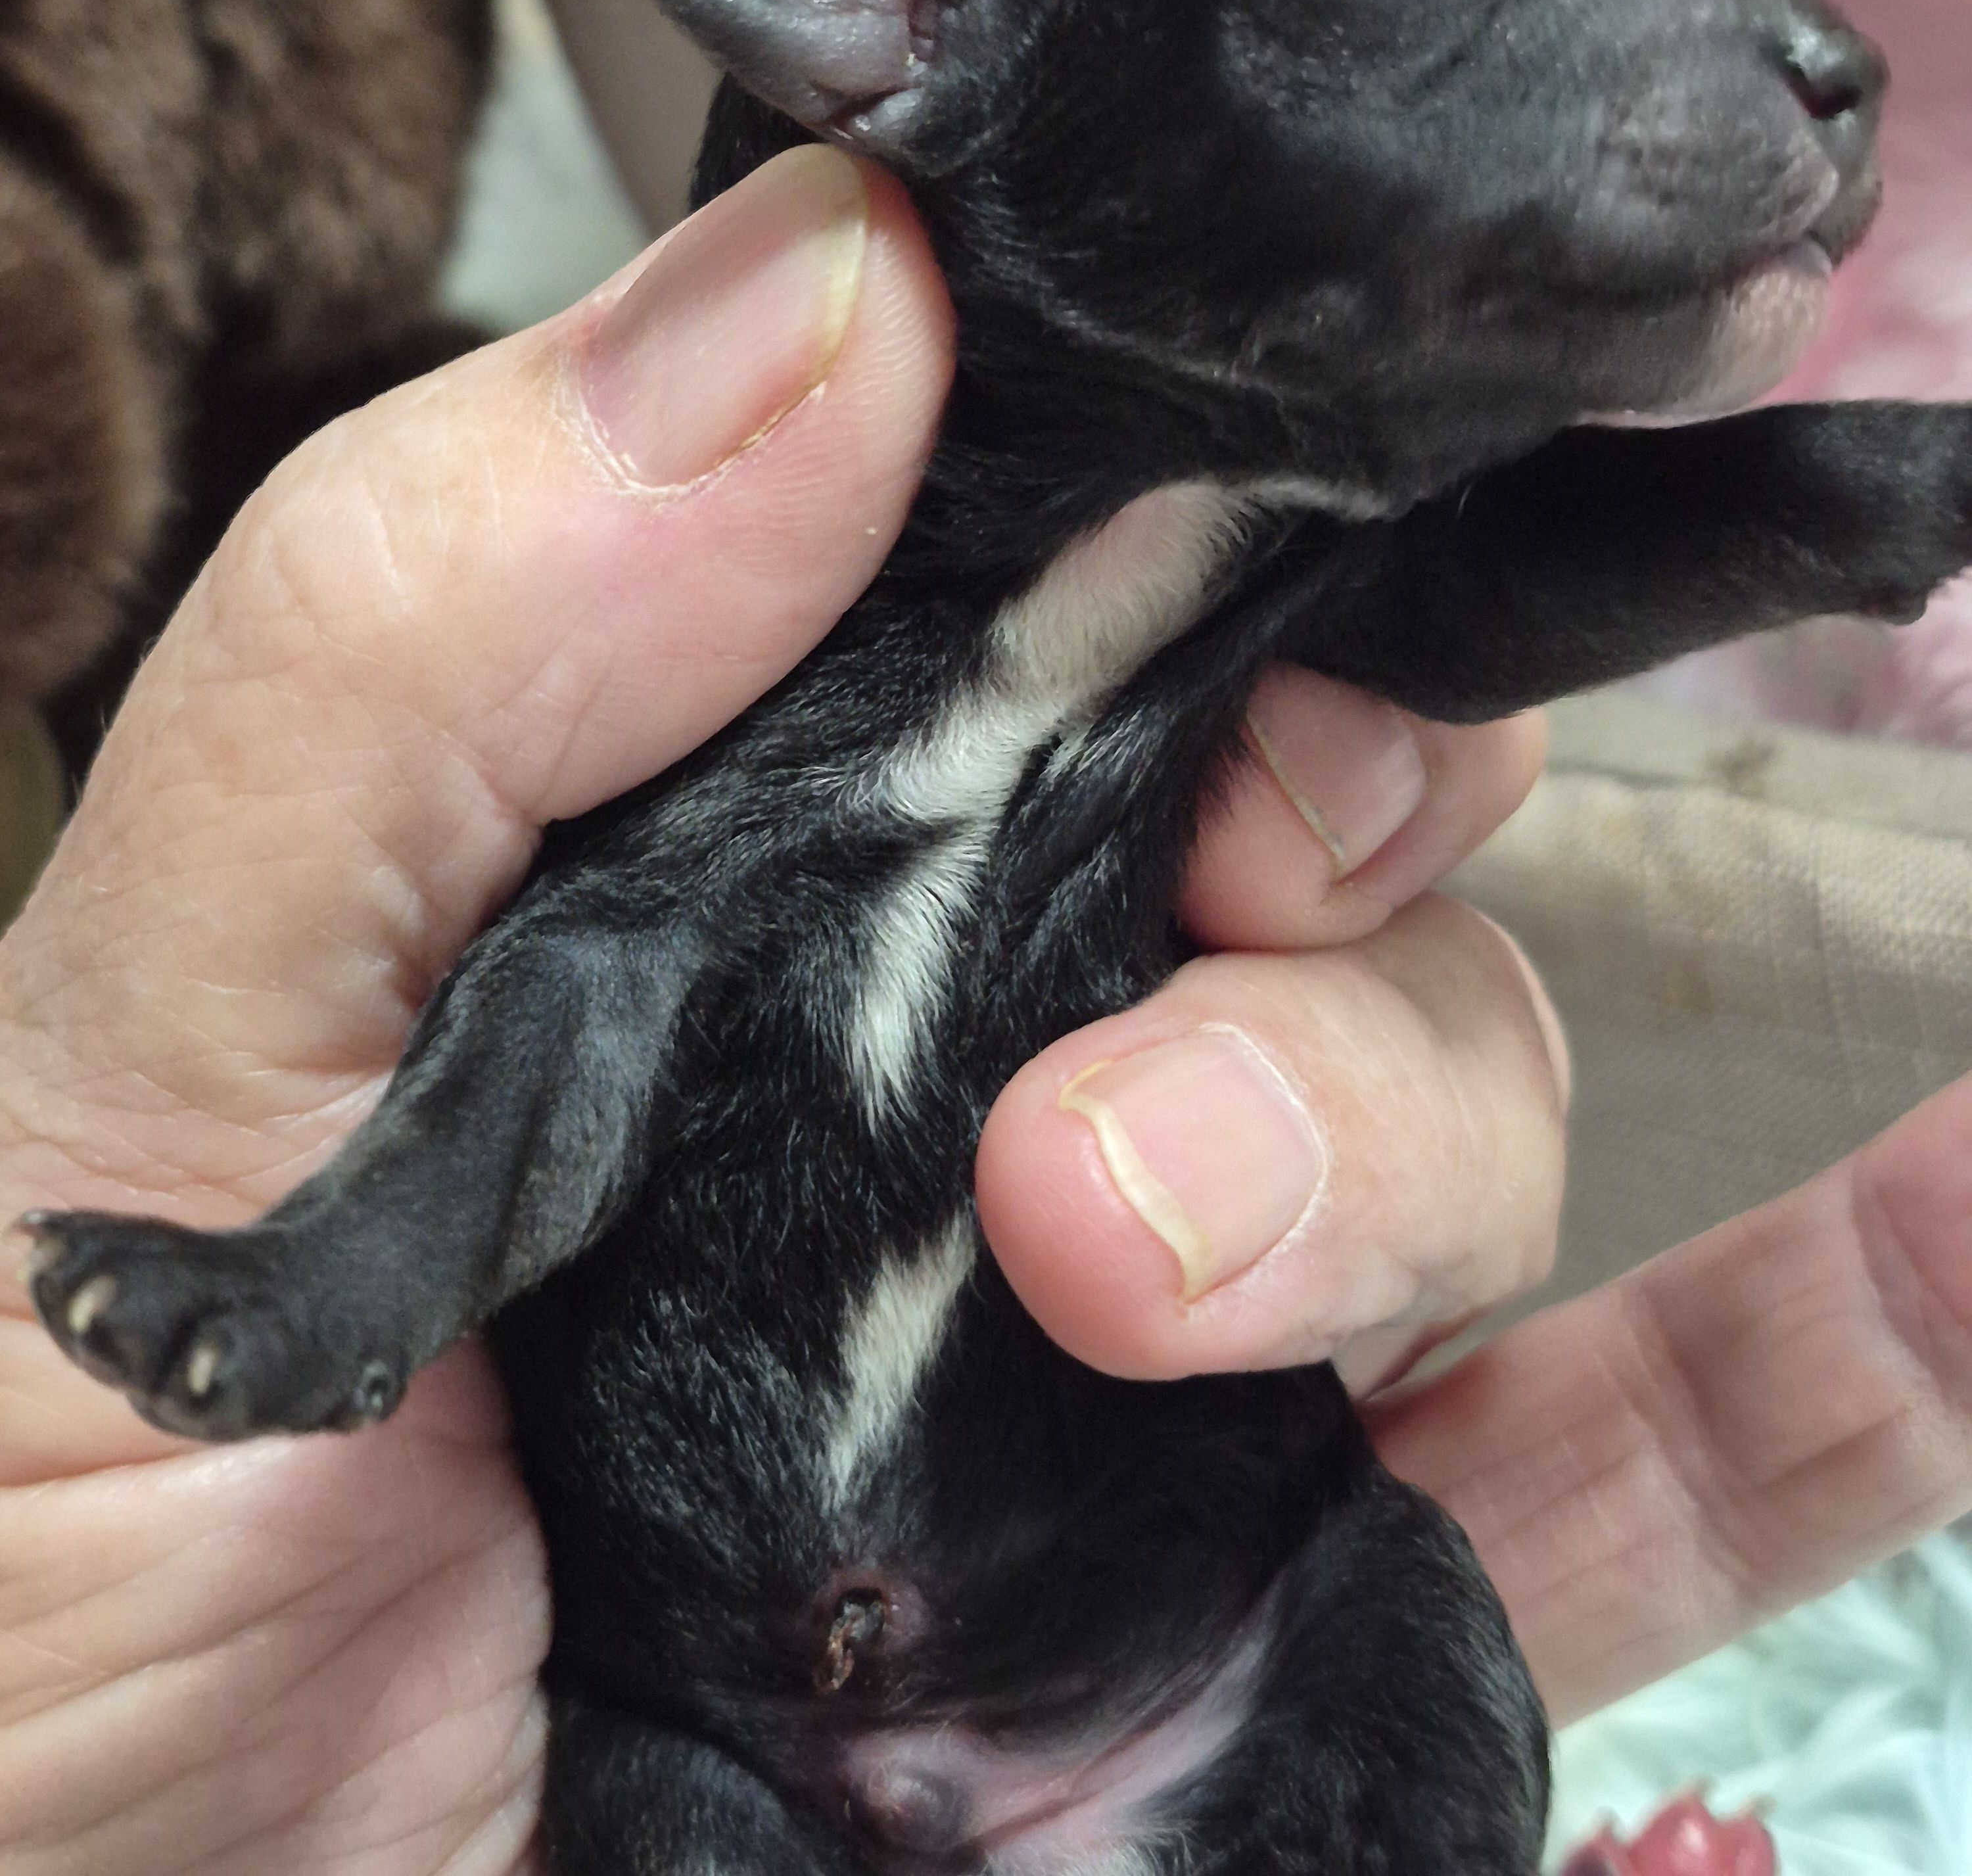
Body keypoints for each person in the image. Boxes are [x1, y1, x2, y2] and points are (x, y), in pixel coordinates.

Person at [2, 150, 1966, 1873]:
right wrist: (320, 1297)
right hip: (705, 1746)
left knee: (1411, 1643)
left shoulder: (1285, 559)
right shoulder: (762, 591)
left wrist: (1892, 493)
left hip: (1198, 1633)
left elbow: (1503, 575)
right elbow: (572, 1013)